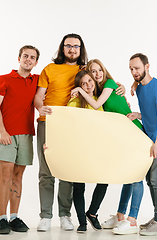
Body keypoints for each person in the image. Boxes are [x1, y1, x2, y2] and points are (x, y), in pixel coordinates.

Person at [33, 34, 125, 232]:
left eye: (76, 46)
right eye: (68, 46)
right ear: (62, 48)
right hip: (47, 122)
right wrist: (39, 108)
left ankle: (65, 215)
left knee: (67, 171)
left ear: (80, 49)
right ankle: (45, 216)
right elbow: (38, 96)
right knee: (46, 171)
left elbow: (101, 84)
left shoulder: (84, 70)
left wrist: (122, 87)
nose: (72, 49)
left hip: (72, 127)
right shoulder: (49, 69)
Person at [71, 59, 144, 235]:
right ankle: (120, 216)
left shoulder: (110, 84)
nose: (97, 75)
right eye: (92, 72)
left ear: (104, 70)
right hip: (121, 135)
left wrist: (80, 89)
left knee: (138, 176)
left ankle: (132, 219)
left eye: (99, 71)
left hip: (134, 130)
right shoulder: (99, 92)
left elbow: (96, 106)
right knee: (128, 175)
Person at [0, 45, 40, 234]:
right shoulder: (3, 80)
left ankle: (14, 217)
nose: (28, 59)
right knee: (5, 175)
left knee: (18, 176)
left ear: (36, 62)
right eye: (25, 56)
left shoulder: (36, 80)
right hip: (6, 135)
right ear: (19, 58)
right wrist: (2, 132)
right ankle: (2, 219)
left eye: (32, 57)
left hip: (26, 134)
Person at [127, 53, 157, 236]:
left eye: (137, 68)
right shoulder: (138, 88)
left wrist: (156, 142)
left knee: (156, 179)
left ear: (147, 66)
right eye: (131, 69)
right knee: (149, 180)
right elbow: (149, 113)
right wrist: (138, 115)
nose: (134, 72)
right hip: (147, 137)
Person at [67, 70, 108, 233]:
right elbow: (67, 123)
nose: (88, 85)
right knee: (78, 187)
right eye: (83, 83)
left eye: (90, 81)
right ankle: (82, 221)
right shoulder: (75, 101)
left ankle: (92, 212)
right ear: (79, 87)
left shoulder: (99, 100)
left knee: (104, 180)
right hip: (79, 148)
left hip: (97, 148)